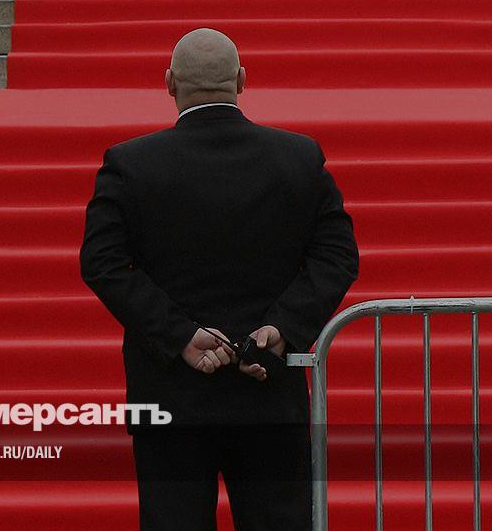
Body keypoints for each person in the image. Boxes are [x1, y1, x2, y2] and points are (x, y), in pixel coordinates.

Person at [80, 28, 359, 530]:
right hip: (269, 387)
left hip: (169, 393)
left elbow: (101, 262)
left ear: (169, 82)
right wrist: (282, 328)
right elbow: (337, 255)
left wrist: (180, 335)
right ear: (242, 80)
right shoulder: (298, 157)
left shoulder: (130, 164)